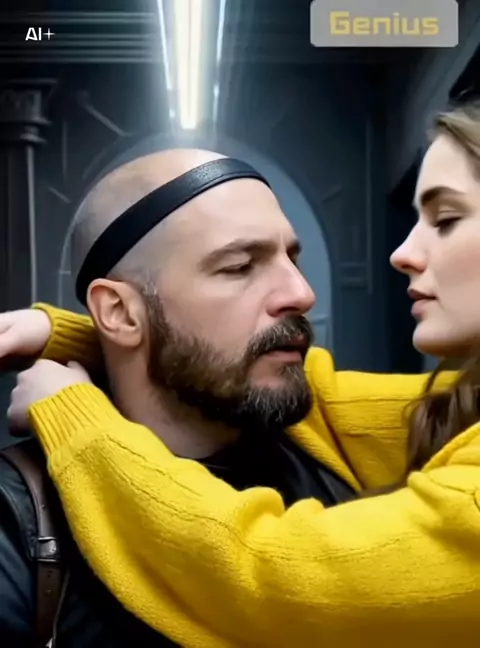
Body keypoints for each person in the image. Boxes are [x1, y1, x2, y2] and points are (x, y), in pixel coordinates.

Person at [1, 128, 478, 648]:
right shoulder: (18, 520)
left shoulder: (324, 452)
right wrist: (103, 339)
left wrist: (77, 408)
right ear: (118, 311)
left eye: (447, 220)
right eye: (240, 266)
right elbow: (358, 397)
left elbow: (273, 580)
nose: (302, 292)